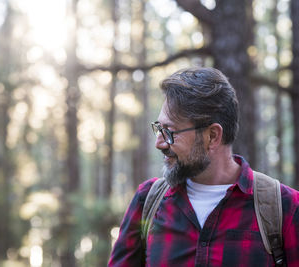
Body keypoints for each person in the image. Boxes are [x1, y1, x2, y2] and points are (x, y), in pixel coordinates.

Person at [108, 67, 299, 267]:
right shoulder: (146, 200)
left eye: (170, 132)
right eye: (159, 128)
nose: (159, 143)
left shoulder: (286, 208)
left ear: (212, 136)